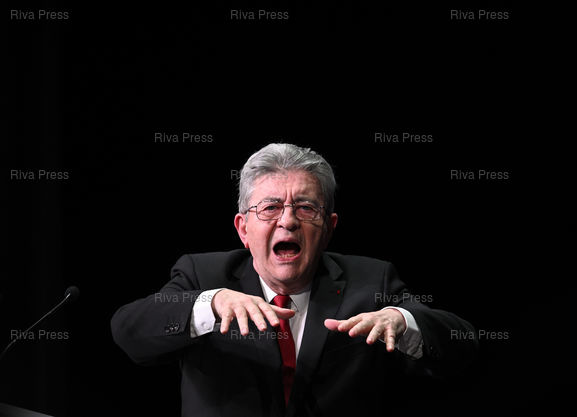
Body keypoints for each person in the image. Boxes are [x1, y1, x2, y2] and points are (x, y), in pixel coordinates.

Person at [111, 143, 478, 417]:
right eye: (270, 207)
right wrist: (212, 303)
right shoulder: (202, 274)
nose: (287, 221)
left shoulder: (371, 281)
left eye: (305, 208)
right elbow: (129, 331)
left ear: (329, 227)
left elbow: (462, 344)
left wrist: (402, 320)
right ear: (243, 228)